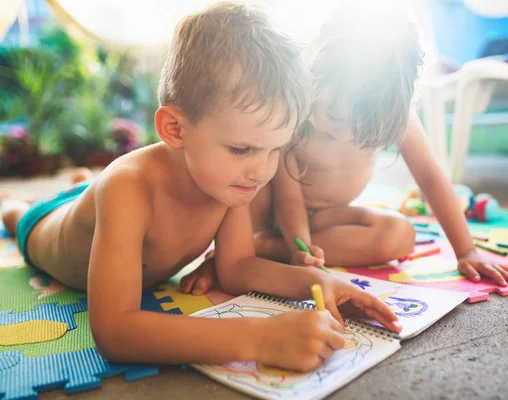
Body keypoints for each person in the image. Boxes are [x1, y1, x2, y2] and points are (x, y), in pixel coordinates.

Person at [0, 2, 400, 372]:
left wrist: (320, 282)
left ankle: (79, 187)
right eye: (242, 148)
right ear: (175, 128)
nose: (261, 171)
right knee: (20, 216)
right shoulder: (128, 188)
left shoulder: (231, 181)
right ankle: (19, 203)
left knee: (87, 195)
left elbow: (238, 268)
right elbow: (114, 330)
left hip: (99, 207)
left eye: (275, 148)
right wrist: (260, 339)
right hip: (46, 227)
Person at [248, 2, 508, 287]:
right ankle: (254, 245)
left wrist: (467, 251)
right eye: (333, 116)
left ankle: (267, 248)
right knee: (249, 177)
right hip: (272, 208)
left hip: (326, 220)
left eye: (359, 130)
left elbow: (430, 177)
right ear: (315, 71)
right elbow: (288, 200)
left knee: (400, 234)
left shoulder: (391, 111)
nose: (343, 134)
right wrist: (300, 246)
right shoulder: (295, 106)